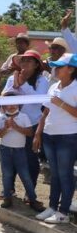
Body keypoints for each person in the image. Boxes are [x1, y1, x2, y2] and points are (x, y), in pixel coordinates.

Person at [33, 53, 77, 223]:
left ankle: (63, 212)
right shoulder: (54, 86)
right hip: (50, 135)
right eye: (55, 66)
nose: (56, 69)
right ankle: (52, 207)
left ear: (71, 69)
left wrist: (62, 104)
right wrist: (38, 132)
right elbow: (46, 111)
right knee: (55, 174)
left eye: (60, 67)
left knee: (65, 174)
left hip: (68, 137)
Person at [2, 49, 49, 192]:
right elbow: (5, 97)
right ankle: (8, 190)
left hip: (32, 125)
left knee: (30, 160)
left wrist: (22, 84)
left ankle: (30, 192)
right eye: (23, 60)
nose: (25, 63)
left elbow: (38, 101)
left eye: (29, 60)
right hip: (12, 123)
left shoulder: (42, 80)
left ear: (36, 65)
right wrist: (16, 83)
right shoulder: (12, 78)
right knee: (10, 158)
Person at [0, 93, 43, 211]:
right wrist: (6, 128)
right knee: (7, 175)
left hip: (20, 151)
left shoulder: (24, 117)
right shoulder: (1, 118)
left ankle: (32, 199)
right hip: (5, 150)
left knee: (25, 175)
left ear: (19, 104)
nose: (11, 106)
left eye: (14, 102)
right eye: (8, 104)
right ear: (3, 106)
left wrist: (15, 127)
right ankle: (7, 197)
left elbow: (30, 133)